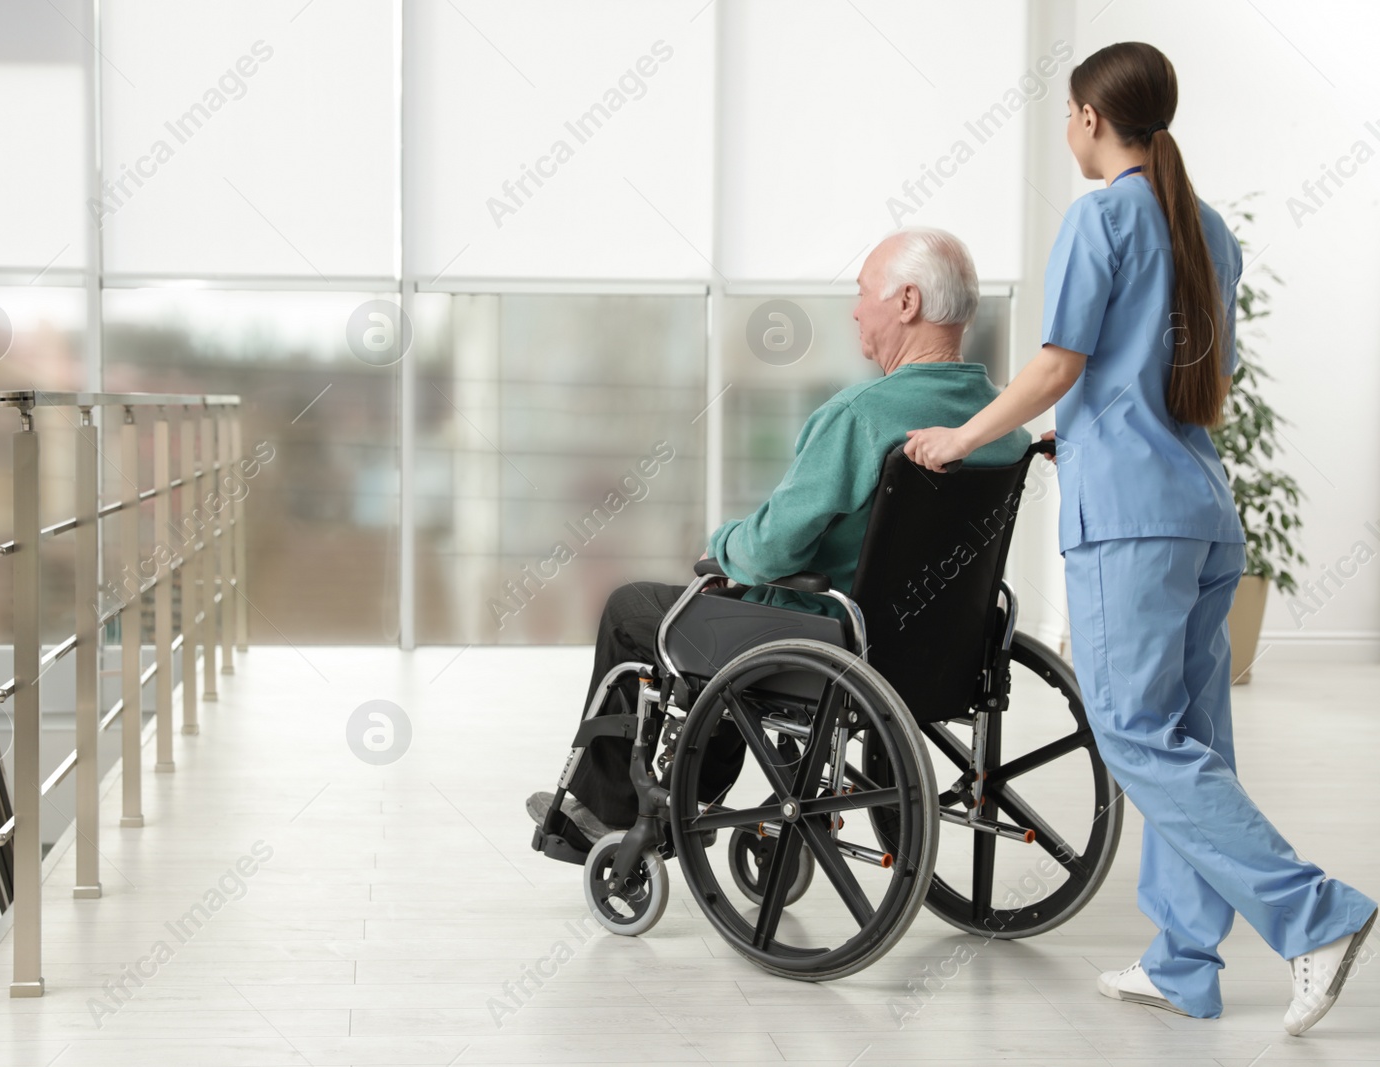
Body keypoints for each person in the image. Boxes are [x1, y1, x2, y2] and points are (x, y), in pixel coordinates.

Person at [904, 42, 1375, 1036]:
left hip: (1131, 520)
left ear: (1086, 119)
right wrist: (1075, 427)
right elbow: (1200, 376)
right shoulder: (1203, 225)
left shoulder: (1101, 216)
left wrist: (966, 433)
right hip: (1201, 509)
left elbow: (1056, 361)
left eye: (1069, 117)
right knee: (1191, 740)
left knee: (1132, 730)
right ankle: (1182, 962)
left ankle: (1314, 913)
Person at [527, 227, 1029, 842]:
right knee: (737, 611)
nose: (854, 308)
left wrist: (723, 547)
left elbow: (769, 551)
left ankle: (603, 814)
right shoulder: (1000, 426)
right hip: (939, 650)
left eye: (863, 291)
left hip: (834, 642)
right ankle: (698, 794)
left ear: (907, 303)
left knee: (638, 607)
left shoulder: (861, 416)